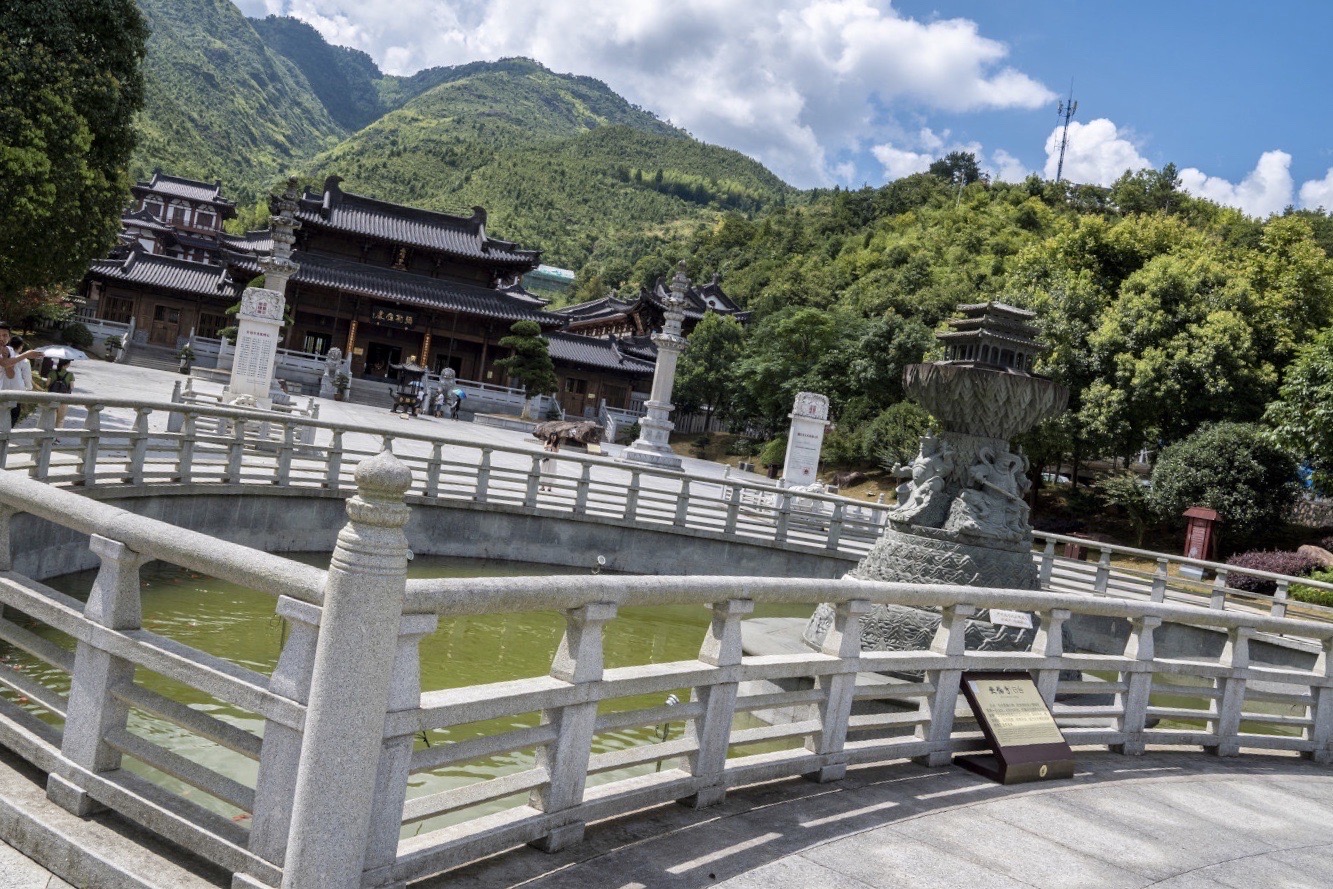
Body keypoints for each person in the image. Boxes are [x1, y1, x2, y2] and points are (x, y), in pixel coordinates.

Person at [0, 323, 44, 427]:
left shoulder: (9, 350)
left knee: (7, 428)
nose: (2, 338)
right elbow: (3, 363)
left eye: (5, 335)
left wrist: (7, 358)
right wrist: (26, 355)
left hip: (6, 396)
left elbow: (10, 375)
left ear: (9, 337)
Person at [46, 359, 75, 427]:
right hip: (64, 399)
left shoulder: (52, 372)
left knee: (52, 418)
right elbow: (71, 387)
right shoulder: (70, 375)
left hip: (52, 397)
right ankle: (57, 437)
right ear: (67, 365)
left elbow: (47, 384)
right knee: (60, 419)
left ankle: (48, 434)